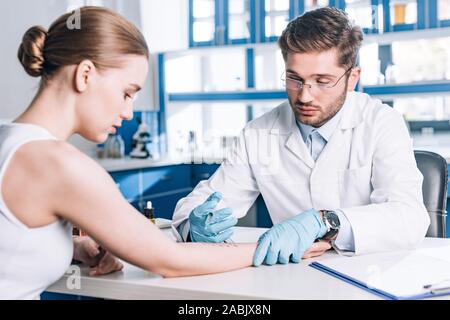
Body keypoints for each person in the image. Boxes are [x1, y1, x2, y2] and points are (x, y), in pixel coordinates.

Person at [0, 6, 256, 300]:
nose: (128, 112)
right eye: (126, 93)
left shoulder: (10, 139)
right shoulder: (59, 164)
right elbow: (169, 259)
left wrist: (73, 248)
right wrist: (265, 247)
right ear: (85, 74)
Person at [171, 7, 430, 266]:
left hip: (372, 273)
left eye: (322, 81)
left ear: (352, 78)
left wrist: (327, 221)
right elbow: (203, 204)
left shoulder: (381, 122)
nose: (304, 96)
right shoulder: (260, 132)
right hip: (292, 274)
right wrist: (195, 227)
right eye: (295, 79)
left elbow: (409, 217)